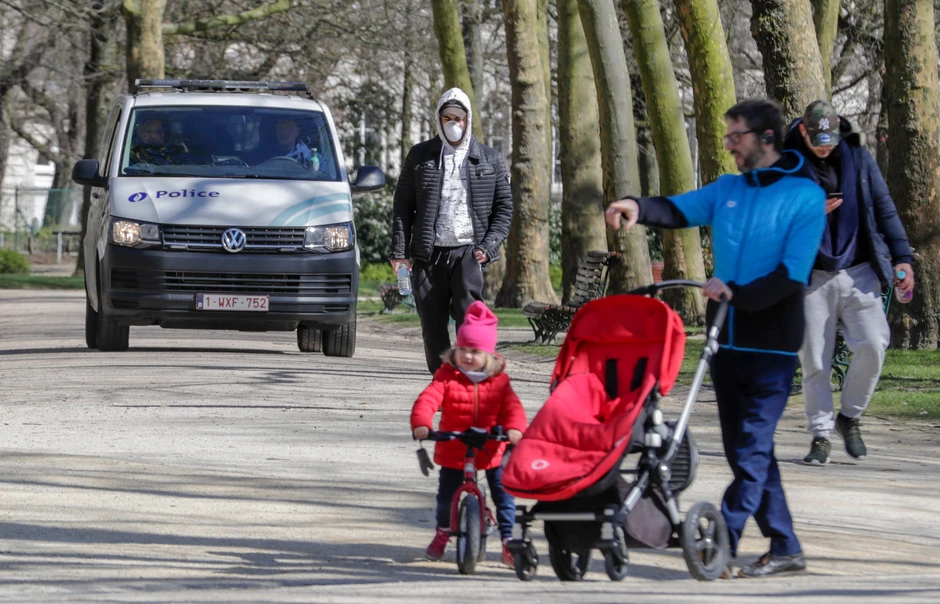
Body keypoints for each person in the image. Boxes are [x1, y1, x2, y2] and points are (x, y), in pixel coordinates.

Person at [605, 99, 826, 579]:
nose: (728, 145)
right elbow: (680, 209)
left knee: (750, 451)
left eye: (736, 136)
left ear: (767, 139)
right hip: (725, 342)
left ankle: (721, 539)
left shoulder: (804, 197)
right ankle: (786, 545)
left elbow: (791, 276)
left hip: (772, 346)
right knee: (748, 452)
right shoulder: (728, 189)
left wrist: (736, 292)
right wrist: (635, 206)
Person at [784, 100, 914, 466]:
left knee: (874, 345)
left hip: (860, 270)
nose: (825, 147)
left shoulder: (857, 156)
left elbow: (883, 205)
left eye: (831, 138)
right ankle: (820, 436)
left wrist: (902, 257)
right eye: (818, 140)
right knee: (814, 361)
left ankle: (850, 417)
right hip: (812, 275)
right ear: (804, 132)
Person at [391, 88, 513, 374]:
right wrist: (399, 253)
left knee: (470, 326)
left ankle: (471, 386)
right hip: (428, 255)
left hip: (468, 254)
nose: (453, 123)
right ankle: (442, 385)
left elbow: (504, 209)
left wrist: (488, 247)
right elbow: (403, 206)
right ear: (438, 119)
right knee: (432, 328)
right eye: (447, 117)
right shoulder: (420, 157)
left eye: (458, 117)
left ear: (468, 120)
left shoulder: (489, 159)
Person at [410, 301, 527, 567]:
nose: (468, 356)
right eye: (463, 349)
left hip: (491, 447)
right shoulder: (446, 376)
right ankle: (442, 532)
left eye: (475, 351)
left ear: (488, 354)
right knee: (445, 499)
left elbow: (513, 408)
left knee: (504, 492)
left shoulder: (499, 381)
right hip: (454, 446)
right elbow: (429, 399)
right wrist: (422, 422)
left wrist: (516, 429)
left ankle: (509, 540)